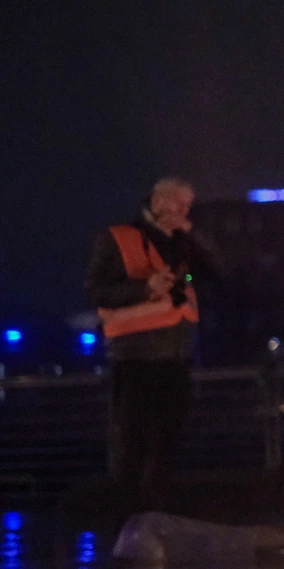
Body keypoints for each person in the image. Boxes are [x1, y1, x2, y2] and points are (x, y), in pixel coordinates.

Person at [85, 177, 221, 511]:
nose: (183, 211)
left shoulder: (184, 242)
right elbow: (96, 291)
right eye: (178, 203)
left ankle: (157, 510)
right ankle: (129, 513)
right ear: (158, 201)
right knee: (132, 437)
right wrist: (146, 287)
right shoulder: (117, 238)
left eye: (188, 206)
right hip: (134, 354)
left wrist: (191, 232)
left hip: (176, 353)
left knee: (168, 437)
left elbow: (218, 269)